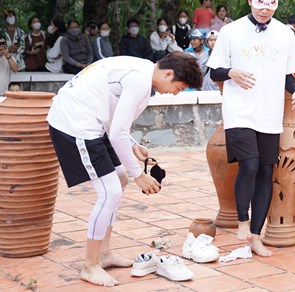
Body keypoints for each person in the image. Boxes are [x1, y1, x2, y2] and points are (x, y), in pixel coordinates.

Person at [47, 52, 202, 287]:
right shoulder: (139, 79)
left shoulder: (142, 72)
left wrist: (132, 144)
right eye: (178, 88)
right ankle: (90, 266)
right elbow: (116, 133)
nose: (175, 93)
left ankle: (104, 254)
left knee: (119, 181)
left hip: (92, 122)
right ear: (169, 74)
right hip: (75, 124)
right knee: (110, 191)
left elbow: (114, 117)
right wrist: (138, 175)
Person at [207, 0, 295, 257]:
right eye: (260, 1)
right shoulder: (230, 32)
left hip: (270, 113)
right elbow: (214, 72)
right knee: (249, 165)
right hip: (239, 111)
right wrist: (232, 72)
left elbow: (287, 74)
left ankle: (256, 236)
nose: (265, 8)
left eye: (271, 3)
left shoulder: (285, 34)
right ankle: (242, 221)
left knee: (265, 171)